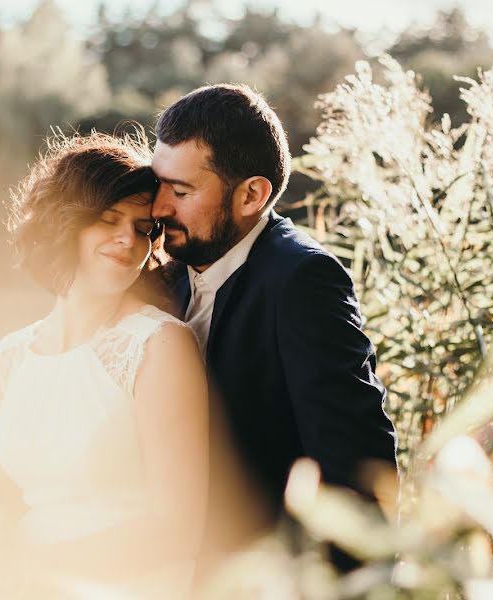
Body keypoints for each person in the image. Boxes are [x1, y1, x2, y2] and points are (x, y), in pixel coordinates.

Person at [151, 84, 398, 570]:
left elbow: (355, 466)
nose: (159, 207)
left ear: (251, 195)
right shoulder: (165, 273)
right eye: (157, 184)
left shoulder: (303, 281)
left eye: (180, 191)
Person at [0, 131, 208, 599]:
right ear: (65, 223)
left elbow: (180, 529)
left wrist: (38, 565)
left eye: (143, 227)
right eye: (108, 220)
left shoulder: (158, 345)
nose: (128, 239)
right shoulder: (9, 358)